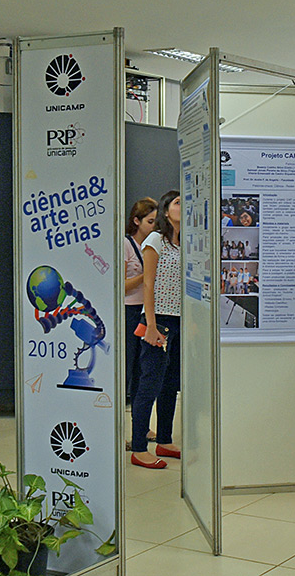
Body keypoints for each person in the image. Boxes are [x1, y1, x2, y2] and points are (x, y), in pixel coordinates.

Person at [131, 190, 182, 469]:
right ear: (164, 211)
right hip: (158, 320)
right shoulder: (155, 240)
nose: (183, 206)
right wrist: (150, 325)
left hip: (179, 320)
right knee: (149, 385)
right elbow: (148, 284)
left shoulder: (184, 243)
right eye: (177, 202)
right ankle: (139, 446)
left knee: (170, 385)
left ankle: (164, 438)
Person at [124, 197, 157, 406]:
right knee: (127, 365)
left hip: (146, 311)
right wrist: (146, 275)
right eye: (150, 222)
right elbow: (120, 286)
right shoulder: (126, 245)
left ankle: (140, 426)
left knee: (142, 369)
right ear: (137, 221)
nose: (154, 227)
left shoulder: (152, 245)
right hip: (129, 311)